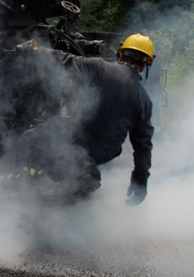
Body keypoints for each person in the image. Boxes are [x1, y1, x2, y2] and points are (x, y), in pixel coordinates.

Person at [19, 33, 155, 205]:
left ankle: (79, 173)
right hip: (103, 153)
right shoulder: (145, 100)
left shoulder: (101, 68)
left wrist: (35, 50)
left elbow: (66, 61)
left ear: (120, 54)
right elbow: (143, 147)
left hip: (78, 138)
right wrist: (140, 182)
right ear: (145, 64)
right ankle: (80, 177)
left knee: (28, 141)